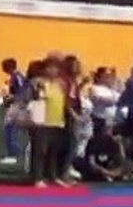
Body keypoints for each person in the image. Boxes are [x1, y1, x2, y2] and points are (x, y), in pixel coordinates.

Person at [31, 58, 71, 188]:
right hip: (43, 122)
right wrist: (39, 88)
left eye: (55, 68)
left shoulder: (59, 85)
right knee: (40, 151)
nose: (53, 71)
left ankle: (53, 176)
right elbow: (37, 98)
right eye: (50, 68)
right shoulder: (40, 83)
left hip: (57, 122)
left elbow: (63, 102)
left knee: (54, 152)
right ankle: (38, 178)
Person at [78, 118, 127, 182]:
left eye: (110, 127)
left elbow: (121, 161)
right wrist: (103, 171)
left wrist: (120, 145)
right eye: (107, 128)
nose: (109, 129)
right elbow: (92, 163)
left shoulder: (114, 143)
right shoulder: (92, 143)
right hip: (98, 172)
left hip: (111, 171)